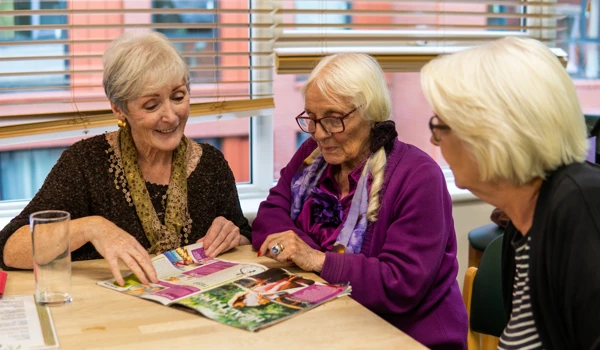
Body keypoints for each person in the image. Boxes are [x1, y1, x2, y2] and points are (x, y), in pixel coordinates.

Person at [0, 31, 251, 286]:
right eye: (151, 105)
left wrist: (233, 235)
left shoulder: (211, 164)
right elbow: (10, 248)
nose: (171, 116)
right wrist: (92, 228)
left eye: (178, 97)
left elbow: (243, 236)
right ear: (119, 108)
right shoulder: (86, 163)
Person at [252, 53, 467, 349]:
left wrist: (316, 260)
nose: (319, 133)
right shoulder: (312, 156)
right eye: (312, 118)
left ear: (371, 113)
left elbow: (400, 284)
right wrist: (303, 252)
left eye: (333, 118)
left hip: (406, 337)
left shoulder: (418, 176)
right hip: (327, 324)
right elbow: (269, 217)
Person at [421, 36, 600, 349]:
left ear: (489, 133)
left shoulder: (581, 210)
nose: (436, 141)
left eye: (440, 125)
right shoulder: (523, 226)